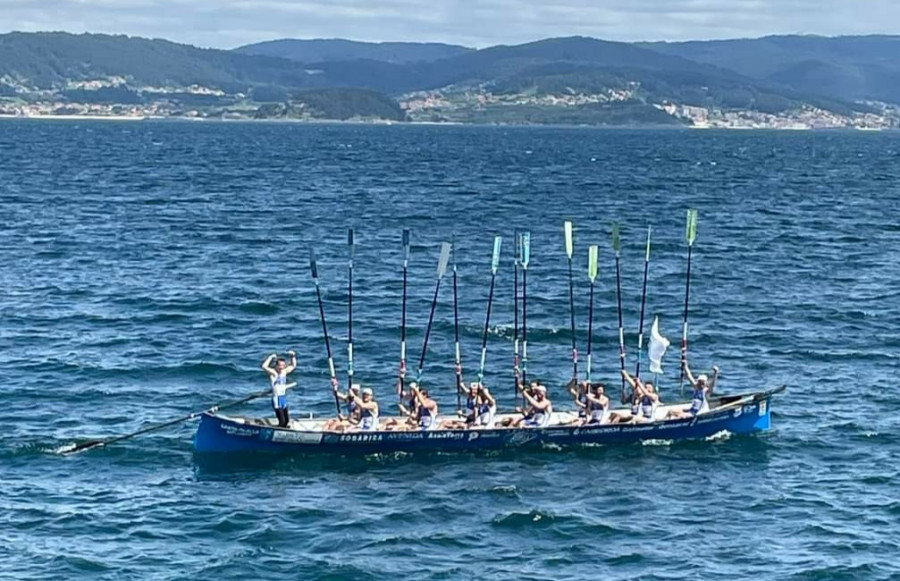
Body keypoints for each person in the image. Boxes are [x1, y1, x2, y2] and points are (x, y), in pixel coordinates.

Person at [261, 351, 296, 428]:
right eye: (280, 365)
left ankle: (284, 429)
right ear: (276, 365)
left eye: (283, 365)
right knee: (282, 421)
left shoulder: (284, 372)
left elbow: (293, 366)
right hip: (276, 398)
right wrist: (270, 357)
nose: (281, 367)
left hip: (283, 397)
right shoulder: (273, 373)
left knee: (287, 421)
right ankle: (279, 429)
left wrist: (292, 356)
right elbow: (264, 366)